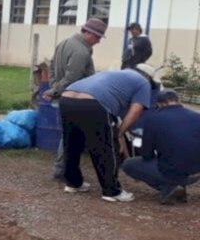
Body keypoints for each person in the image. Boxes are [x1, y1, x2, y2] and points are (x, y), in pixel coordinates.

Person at [59, 65, 160, 202]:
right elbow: (135, 111)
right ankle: (112, 191)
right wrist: (119, 134)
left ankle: (73, 183)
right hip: (94, 103)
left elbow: (114, 113)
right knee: (105, 147)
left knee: (72, 144)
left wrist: (118, 129)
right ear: (149, 78)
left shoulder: (115, 74)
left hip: (67, 98)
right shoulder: (143, 83)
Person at [43, 18, 106, 178]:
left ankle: (63, 169)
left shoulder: (65, 42)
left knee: (69, 134)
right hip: (74, 97)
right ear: (88, 33)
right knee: (70, 136)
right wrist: (55, 90)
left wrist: (53, 86)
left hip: (64, 95)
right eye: (97, 37)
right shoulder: (81, 51)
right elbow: (72, 79)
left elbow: (50, 66)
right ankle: (62, 170)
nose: (98, 41)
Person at [122, 89, 200, 204]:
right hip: (196, 173)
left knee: (129, 164)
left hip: (172, 170)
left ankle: (169, 188)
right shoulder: (197, 117)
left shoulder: (153, 120)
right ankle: (177, 186)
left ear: (158, 104)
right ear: (179, 100)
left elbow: (146, 154)